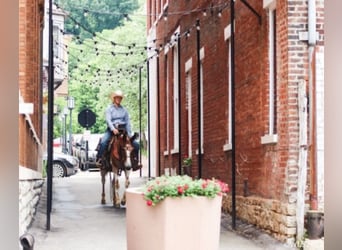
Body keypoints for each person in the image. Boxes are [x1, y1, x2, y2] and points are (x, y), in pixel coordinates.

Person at [96, 90, 140, 166]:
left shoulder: (124, 110)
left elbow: (128, 122)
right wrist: (113, 129)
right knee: (103, 142)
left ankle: (135, 161)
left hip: (123, 130)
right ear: (114, 99)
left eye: (120, 98)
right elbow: (108, 120)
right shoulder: (109, 109)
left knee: (136, 144)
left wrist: (129, 134)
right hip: (112, 130)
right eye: (117, 98)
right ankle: (100, 159)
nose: (118, 99)